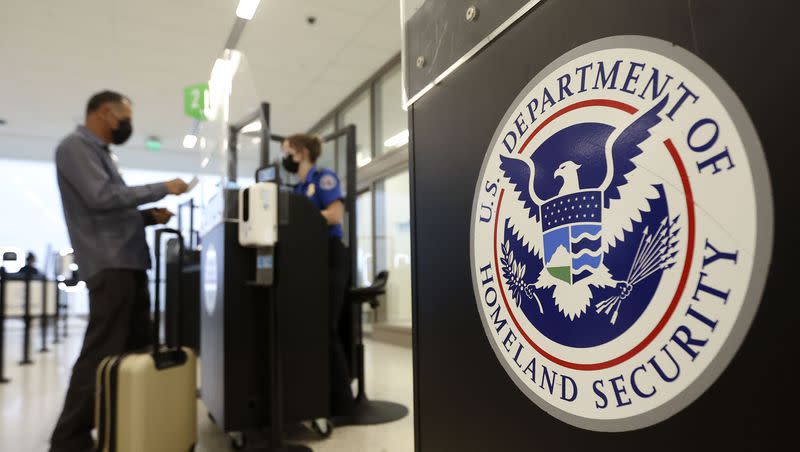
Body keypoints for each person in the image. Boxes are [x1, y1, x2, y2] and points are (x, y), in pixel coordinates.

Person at [50, 90, 190, 452]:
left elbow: (112, 208)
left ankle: (124, 424)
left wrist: (146, 217)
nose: (126, 124)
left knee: (133, 352)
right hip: (110, 265)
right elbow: (100, 198)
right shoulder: (74, 148)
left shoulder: (101, 154)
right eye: (123, 117)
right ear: (102, 113)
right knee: (101, 353)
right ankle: (69, 440)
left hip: (127, 262)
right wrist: (162, 188)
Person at [282, 133, 355, 417]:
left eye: (286, 151)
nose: (284, 158)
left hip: (331, 256)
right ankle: (317, 396)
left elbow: (335, 215)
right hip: (310, 259)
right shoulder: (299, 188)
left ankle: (342, 403)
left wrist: (302, 218)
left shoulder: (323, 178)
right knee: (312, 329)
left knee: (325, 329)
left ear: (300, 152)